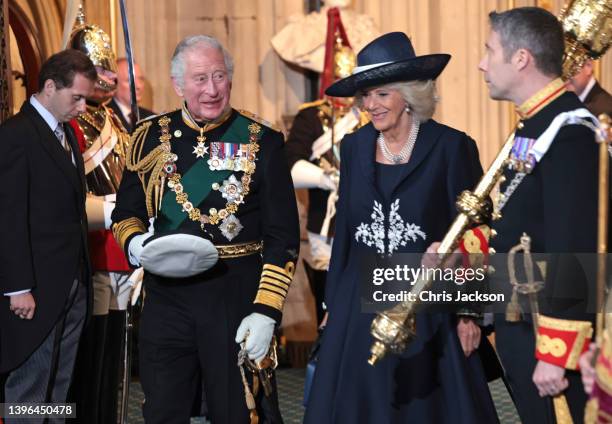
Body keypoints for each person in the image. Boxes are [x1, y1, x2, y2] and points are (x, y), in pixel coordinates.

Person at [303, 32, 498, 423]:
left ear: (409, 95)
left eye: (381, 95)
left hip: (428, 309)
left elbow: (476, 233)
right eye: (365, 96)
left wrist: (470, 314)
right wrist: (333, 305)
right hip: (358, 308)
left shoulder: (451, 147)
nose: (370, 105)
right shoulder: (355, 147)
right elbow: (348, 234)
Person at [111, 34, 300, 423]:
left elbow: (283, 236)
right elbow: (125, 214)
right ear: (178, 85)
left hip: (235, 295)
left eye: (219, 76)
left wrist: (266, 310)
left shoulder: (262, 141)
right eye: (200, 79)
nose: (212, 89)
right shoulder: (148, 138)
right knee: (163, 409)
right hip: (167, 297)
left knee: (237, 410)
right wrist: (138, 246)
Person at [479, 7, 599, 423]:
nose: (481, 63)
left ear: (521, 58)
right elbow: (520, 222)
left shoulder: (570, 133)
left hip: (554, 336)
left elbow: (576, 246)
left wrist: (557, 350)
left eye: (489, 50)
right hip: (523, 322)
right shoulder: (535, 123)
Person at [0, 49, 95, 420]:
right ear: (51, 87)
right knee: (29, 388)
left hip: (72, 284)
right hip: (34, 290)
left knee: (59, 385)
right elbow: (8, 217)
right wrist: (17, 287)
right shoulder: (15, 136)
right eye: (78, 98)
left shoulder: (66, 134)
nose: (84, 107)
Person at [65, 11, 133, 423]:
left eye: (109, 68)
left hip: (118, 247)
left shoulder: (111, 119)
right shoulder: (70, 122)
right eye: (99, 68)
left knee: (111, 361)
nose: (107, 76)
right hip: (87, 250)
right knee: (85, 364)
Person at [108, 57, 154, 133]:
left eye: (141, 79)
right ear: (114, 83)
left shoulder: (150, 118)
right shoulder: (106, 115)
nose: (138, 86)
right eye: (129, 80)